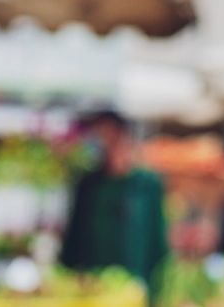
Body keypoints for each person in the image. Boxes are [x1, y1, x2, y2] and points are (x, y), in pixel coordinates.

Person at [58, 110, 170, 300]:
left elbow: (157, 240)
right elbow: (74, 235)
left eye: (111, 137)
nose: (106, 143)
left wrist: (156, 288)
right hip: (93, 286)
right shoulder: (88, 184)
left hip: (136, 285)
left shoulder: (147, 185)